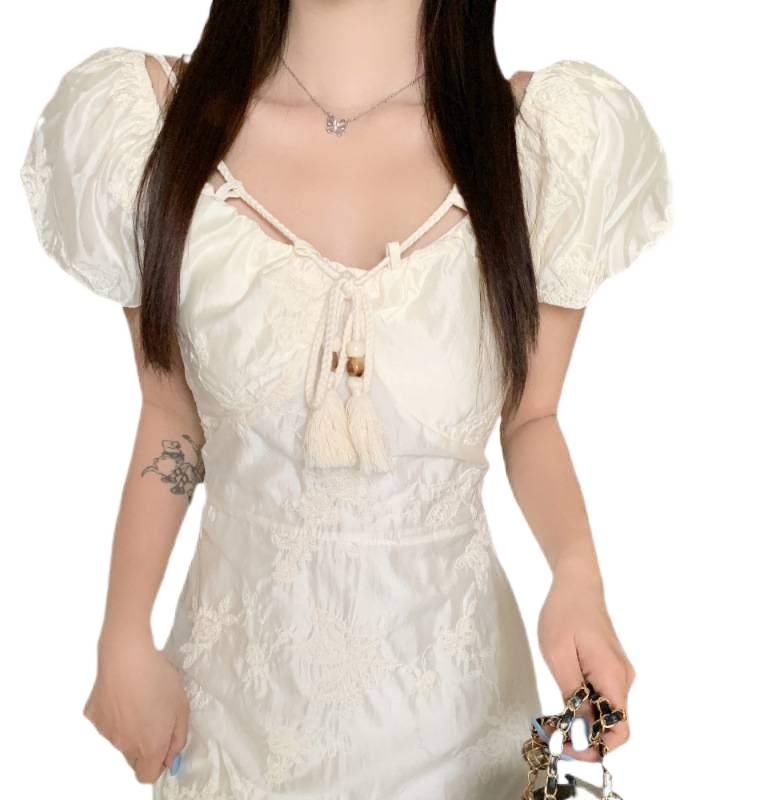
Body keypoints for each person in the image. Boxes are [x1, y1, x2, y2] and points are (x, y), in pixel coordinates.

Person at [18, 1, 672, 797]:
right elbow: (172, 419)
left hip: (456, 728)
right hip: (234, 723)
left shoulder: (539, 146)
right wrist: (123, 636)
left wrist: (577, 580)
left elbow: (530, 419)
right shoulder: (155, 132)